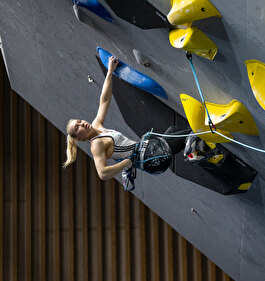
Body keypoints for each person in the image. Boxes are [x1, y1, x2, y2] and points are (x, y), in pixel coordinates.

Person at [63, 56, 189, 191]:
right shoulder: (96, 145)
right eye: (78, 127)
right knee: (191, 134)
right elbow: (102, 173)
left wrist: (110, 71)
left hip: (150, 148)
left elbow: (104, 100)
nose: (82, 124)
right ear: (80, 138)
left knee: (173, 130)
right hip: (152, 157)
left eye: (79, 121)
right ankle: (199, 147)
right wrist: (125, 164)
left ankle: (199, 152)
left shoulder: (97, 125)